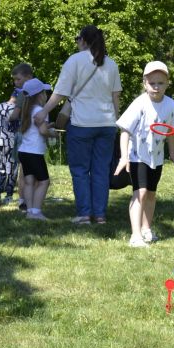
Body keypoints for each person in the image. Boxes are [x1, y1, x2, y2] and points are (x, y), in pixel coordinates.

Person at [35, 25, 122, 225]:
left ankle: (84, 213)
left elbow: (60, 93)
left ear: (83, 40)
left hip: (82, 124)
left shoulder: (75, 60)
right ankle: (99, 215)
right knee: (101, 170)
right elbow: (115, 97)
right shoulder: (111, 64)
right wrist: (115, 121)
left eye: (77, 39)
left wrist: (44, 112)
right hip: (106, 124)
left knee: (81, 170)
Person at [114, 61, 174, 248]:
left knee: (151, 194)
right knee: (140, 193)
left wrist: (173, 153)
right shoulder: (139, 103)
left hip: (156, 157)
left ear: (167, 83)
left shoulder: (171, 105)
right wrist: (124, 156)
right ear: (145, 83)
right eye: (152, 83)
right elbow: (125, 130)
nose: (156, 87)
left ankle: (146, 229)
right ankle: (135, 235)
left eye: (161, 83)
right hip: (137, 156)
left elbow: (171, 131)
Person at [18, 78, 57, 220]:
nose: (46, 95)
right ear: (40, 95)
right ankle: (36, 211)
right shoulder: (41, 110)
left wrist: (49, 125)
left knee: (29, 181)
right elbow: (42, 131)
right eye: (45, 93)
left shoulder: (27, 110)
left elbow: (36, 128)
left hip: (24, 151)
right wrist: (53, 133)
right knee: (44, 181)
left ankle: (29, 211)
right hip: (35, 152)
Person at [7, 63, 34, 211]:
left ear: (28, 77)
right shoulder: (40, 92)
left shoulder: (23, 94)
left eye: (18, 79)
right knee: (30, 169)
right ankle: (27, 199)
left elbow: (15, 114)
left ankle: (23, 199)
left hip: (22, 133)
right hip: (34, 134)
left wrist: (8, 118)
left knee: (23, 170)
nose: (16, 83)